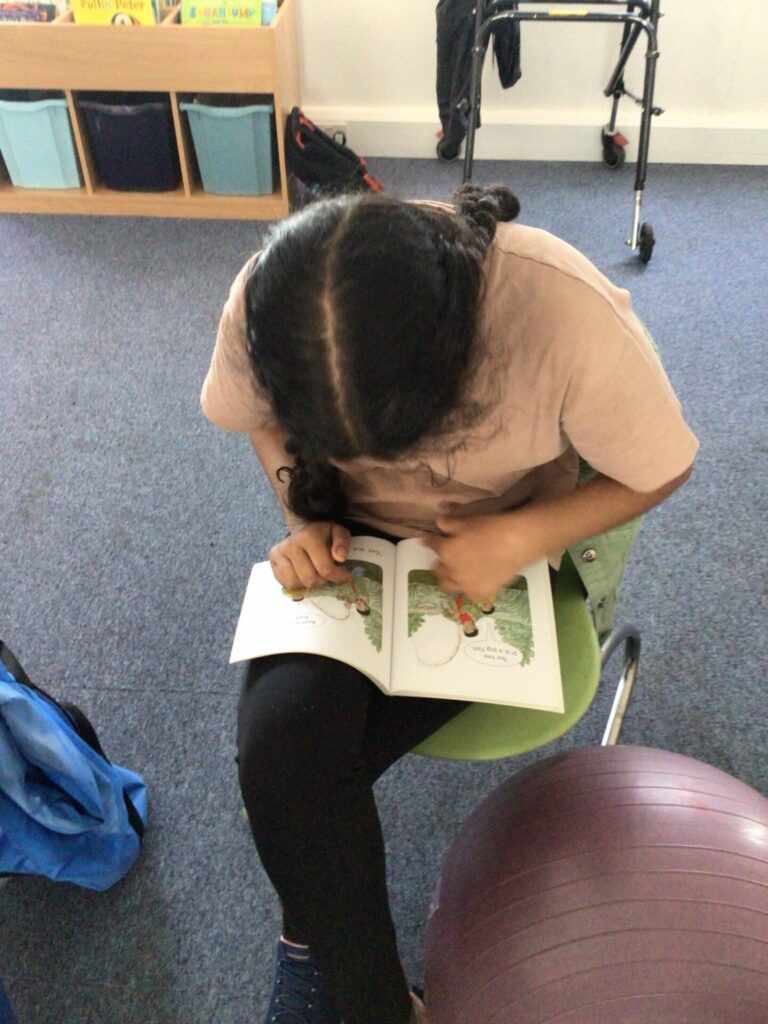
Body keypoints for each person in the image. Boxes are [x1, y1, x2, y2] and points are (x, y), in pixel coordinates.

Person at [201, 184, 699, 1024]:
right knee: (282, 752)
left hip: (503, 551)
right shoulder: (272, 301)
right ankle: (377, 1001)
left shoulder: (557, 312)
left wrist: (524, 536)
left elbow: (664, 465)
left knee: (301, 788)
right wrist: (304, 515)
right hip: (356, 551)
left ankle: (315, 942)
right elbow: (257, 418)